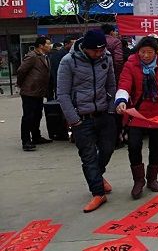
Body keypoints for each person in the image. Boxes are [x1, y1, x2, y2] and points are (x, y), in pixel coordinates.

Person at [114, 36, 158, 199]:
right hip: (137, 114)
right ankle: (138, 180)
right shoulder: (131, 64)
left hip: (157, 113)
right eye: (142, 52)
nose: (145, 55)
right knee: (133, 146)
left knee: (155, 147)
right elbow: (124, 85)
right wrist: (121, 100)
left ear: (155, 52)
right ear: (138, 51)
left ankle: (152, 179)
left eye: (149, 52)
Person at [56, 30, 116, 213]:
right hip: (81, 118)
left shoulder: (106, 58)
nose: (98, 54)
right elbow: (62, 94)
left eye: (101, 50)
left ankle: (97, 176)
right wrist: (74, 120)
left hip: (104, 113)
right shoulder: (68, 61)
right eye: (95, 51)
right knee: (88, 156)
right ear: (85, 48)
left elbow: (111, 85)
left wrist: (111, 109)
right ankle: (98, 193)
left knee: (108, 149)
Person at [17, 36, 53, 151]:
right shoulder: (32, 56)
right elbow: (21, 71)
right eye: (48, 44)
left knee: (37, 115)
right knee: (28, 116)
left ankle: (36, 137)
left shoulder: (44, 56)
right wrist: (21, 84)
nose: (50, 46)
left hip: (39, 91)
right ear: (41, 46)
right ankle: (26, 141)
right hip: (30, 91)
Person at [48, 34, 77, 99]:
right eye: (73, 44)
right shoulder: (58, 55)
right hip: (62, 86)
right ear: (66, 44)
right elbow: (55, 73)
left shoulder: (74, 54)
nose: (75, 46)